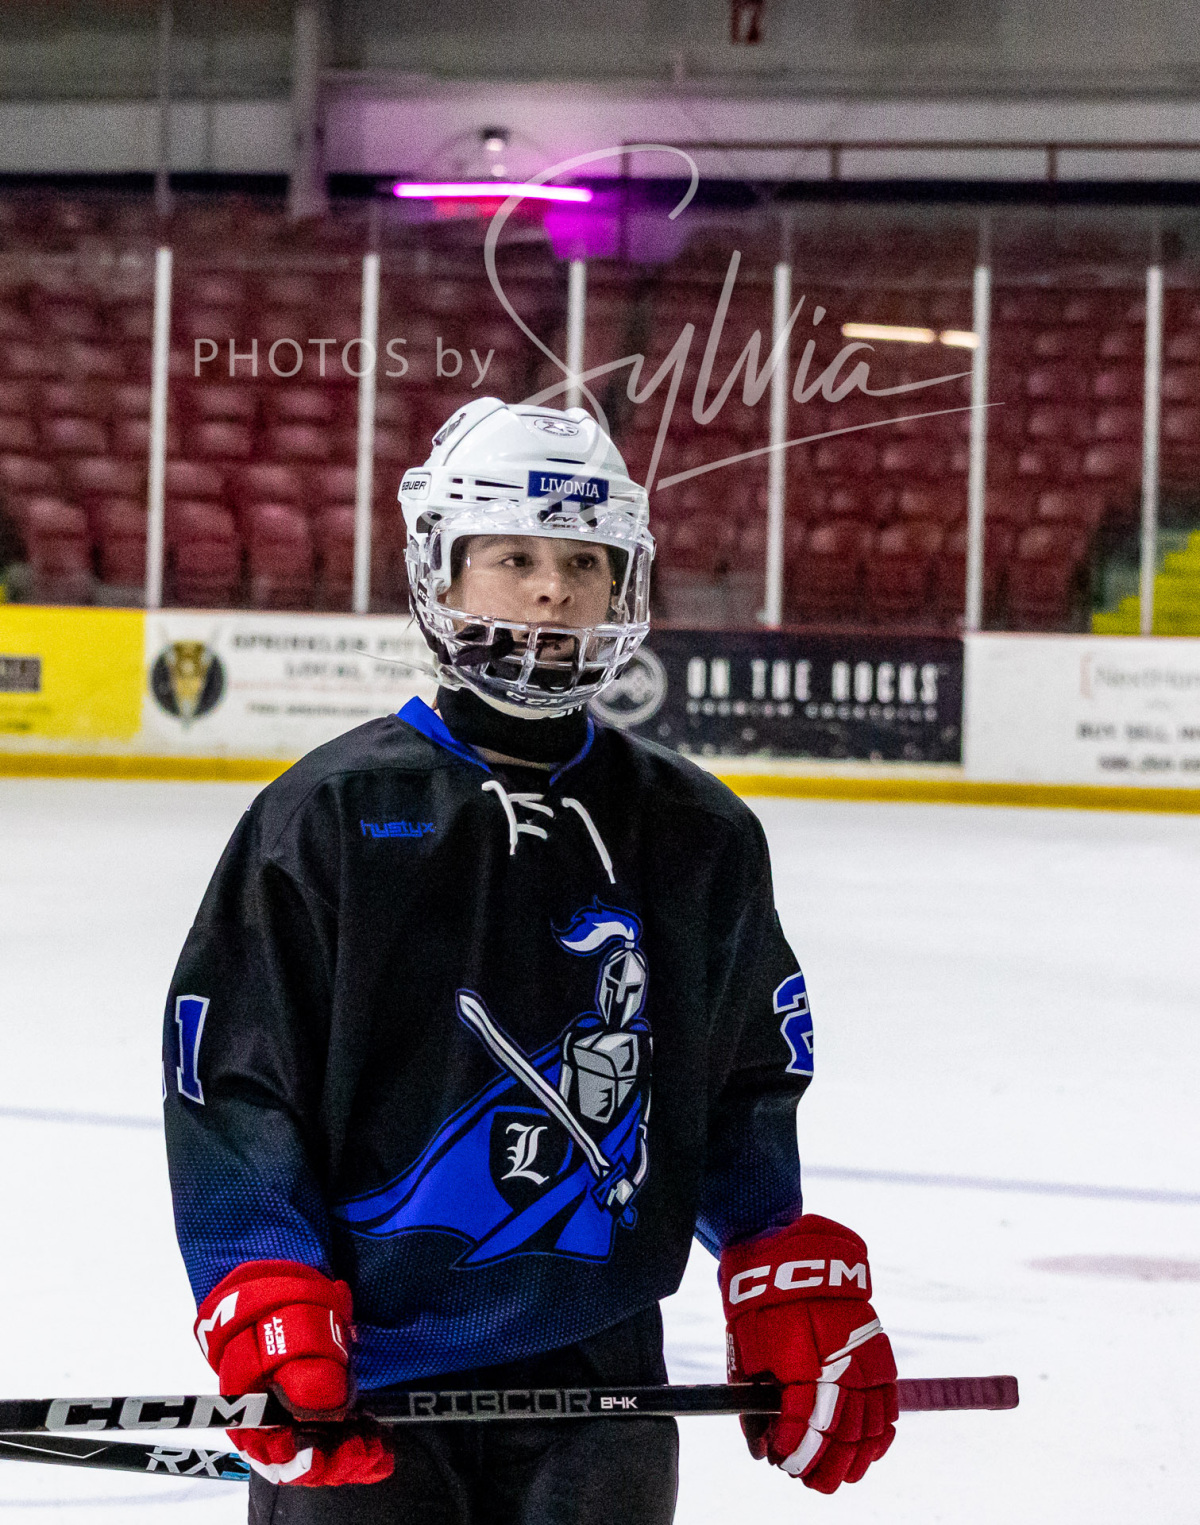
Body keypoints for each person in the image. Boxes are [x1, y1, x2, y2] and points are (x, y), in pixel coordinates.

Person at [163, 397, 897, 1525]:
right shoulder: (329, 817)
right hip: (364, 1371)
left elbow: (741, 1080)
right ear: (442, 571)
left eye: (583, 562)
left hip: (602, 1377)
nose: (553, 590)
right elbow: (235, 1082)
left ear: (624, 582)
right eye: (514, 559)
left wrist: (772, 1248)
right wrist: (262, 1275)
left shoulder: (695, 831)